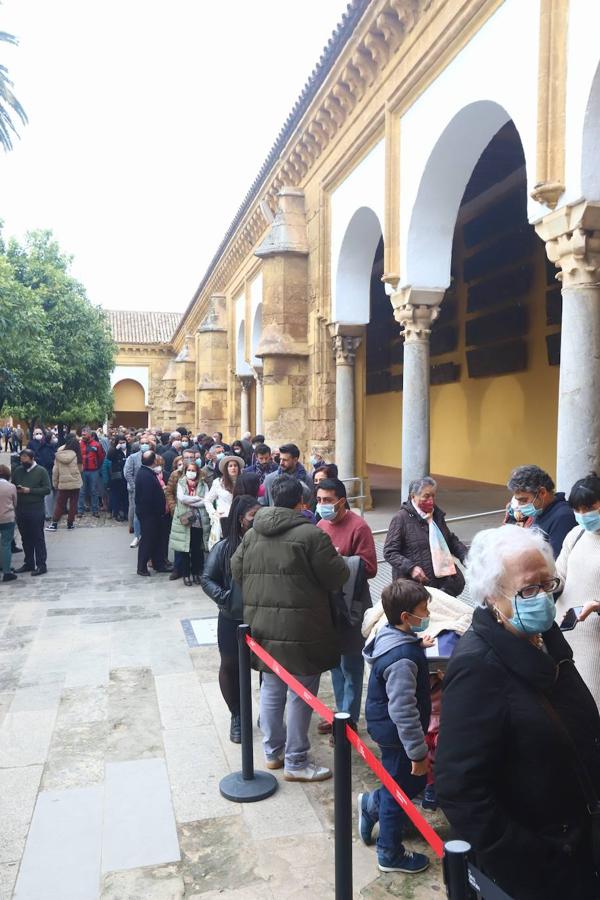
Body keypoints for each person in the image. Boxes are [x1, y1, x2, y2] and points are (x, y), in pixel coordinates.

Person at [435, 525, 600, 900]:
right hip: (543, 869)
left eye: (548, 585)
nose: (542, 597)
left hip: (582, 842)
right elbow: (461, 790)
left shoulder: (545, 637)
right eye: (528, 589)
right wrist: (535, 859)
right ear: (493, 596)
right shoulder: (477, 667)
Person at [231, 474, 349, 781]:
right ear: (302, 502)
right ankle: (296, 761)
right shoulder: (312, 536)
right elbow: (336, 577)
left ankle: (273, 753)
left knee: (272, 688)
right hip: (303, 629)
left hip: (262, 628)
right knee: (301, 693)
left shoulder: (253, 532)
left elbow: (237, 569)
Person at [358, 579, 432, 875]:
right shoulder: (402, 659)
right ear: (405, 617)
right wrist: (417, 752)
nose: (426, 615)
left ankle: (372, 805)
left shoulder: (392, 635)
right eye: (423, 610)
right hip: (397, 735)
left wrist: (417, 644)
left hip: (387, 727)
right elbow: (403, 711)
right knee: (399, 788)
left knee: (408, 782)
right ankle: (389, 852)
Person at [316, 477, 377, 732]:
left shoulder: (358, 527)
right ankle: (340, 715)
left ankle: (348, 722)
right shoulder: (319, 524)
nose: (322, 505)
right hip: (328, 606)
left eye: (328, 500)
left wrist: (341, 561)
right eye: (319, 500)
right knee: (334, 665)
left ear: (342, 501)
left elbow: (371, 567)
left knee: (351, 666)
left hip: (352, 606)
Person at [201, 494, 261, 743]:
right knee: (230, 666)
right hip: (231, 618)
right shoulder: (225, 547)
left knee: (266, 668)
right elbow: (207, 579)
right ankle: (237, 715)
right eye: (252, 516)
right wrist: (225, 598)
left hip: (263, 617)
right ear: (240, 519)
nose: (258, 520)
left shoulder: (267, 544)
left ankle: (267, 714)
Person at [383, 476, 467, 597]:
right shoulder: (401, 518)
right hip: (414, 588)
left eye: (433, 496)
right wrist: (411, 568)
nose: (431, 500)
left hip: (442, 585)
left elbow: (449, 539)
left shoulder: (436, 515)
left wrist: (466, 556)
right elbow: (390, 552)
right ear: (413, 496)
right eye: (426, 496)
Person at [506, 464, 576, 558]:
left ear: (542, 493)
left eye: (524, 500)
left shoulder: (564, 517)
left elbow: (555, 561)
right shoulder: (539, 509)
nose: (519, 506)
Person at [168, 460, 210, 585]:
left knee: (197, 549)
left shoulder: (203, 484)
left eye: (193, 470)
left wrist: (193, 501)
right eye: (189, 470)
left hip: (199, 521)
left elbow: (205, 501)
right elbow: (182, 498)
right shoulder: (181, 482)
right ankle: (186, 574)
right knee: (184, 549)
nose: (191, 473)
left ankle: (196, 572)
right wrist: (197, 498)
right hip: (184, 520)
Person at [12, 449, 51, 576]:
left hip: (35, 508)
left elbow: (46, 489)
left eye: (25, 458)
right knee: (25, 537)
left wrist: (30, 490)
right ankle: (29, 562)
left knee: (37, 537)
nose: (23, 460)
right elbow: (13, 485)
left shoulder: (41, 471)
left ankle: (41, 564)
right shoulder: (18, 471)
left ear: (32, 458)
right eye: (21, 458)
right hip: (21, 508)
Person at [134, 450, 171, 576]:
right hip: (149, 515)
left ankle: (158, 564)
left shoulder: (147, 473)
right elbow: (147, 498)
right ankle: (142, 567)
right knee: (148, 540)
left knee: (156, 540)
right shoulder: (145, 475)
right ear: (154, 461)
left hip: (153, 514)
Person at [47, 434, 83, 531]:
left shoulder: (59, 454)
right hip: (75, 483)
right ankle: (70, 523)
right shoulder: (77, 454)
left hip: (63, 483)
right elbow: (81, 469)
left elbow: (55, 471)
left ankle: (54, 523)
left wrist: (55, 483)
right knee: (73, 504)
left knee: (60, 504)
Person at [124, 432, 154, 548]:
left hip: (149, 490)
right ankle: (137, 536)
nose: (145, 445)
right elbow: (127, 473)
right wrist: (134, 486)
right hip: (135, 490)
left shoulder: (153, 457)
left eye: (147, 443)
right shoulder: (133, 457)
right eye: (142, 443)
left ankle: (147, 535)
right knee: (137, 513)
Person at [204, 455, 244, 538]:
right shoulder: (218, 483)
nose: (233, 468)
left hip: (240, 520)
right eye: (230, 466)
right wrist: (214, 513)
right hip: (223, 520)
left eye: (235, 466)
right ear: (226, 468)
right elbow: (207, 500)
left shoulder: (244, 482)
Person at [27, 427, 56, 521]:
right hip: (36, 470)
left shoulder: (48, 444)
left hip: (48, 470)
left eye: (40, 433)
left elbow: (52, 457)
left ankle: (48, 513)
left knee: (48, 492)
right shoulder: (31, 444)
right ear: (33, 435)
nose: (38, 435)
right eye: (37, 433)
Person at [77, 427, 105, 518]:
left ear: (89, 434)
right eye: (82, 434)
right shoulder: (80, 444)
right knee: (82, 491)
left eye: (84, 434)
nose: (83, 436)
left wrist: (97, 466)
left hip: (94, 470)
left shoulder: (96, 444)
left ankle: (95, 510)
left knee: (94, 491)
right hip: (83, 470)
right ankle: (80, 510)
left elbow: (101, 457)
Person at [0, 464, 17, 582]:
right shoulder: (11, 487)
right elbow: (15, 503)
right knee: (6, 544)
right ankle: (6, 571)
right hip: (7, 517)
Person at [106, 437, 129, 521]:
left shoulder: (129, 449)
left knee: (126, 496)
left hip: (127, 475)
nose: (122, 444)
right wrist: (116, 449)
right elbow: (109, 457)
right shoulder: (114, 450)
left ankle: (126, 512)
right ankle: (116, 513)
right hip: (117, 476)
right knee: (116, 495)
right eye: (120, 442)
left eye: (123, 442)